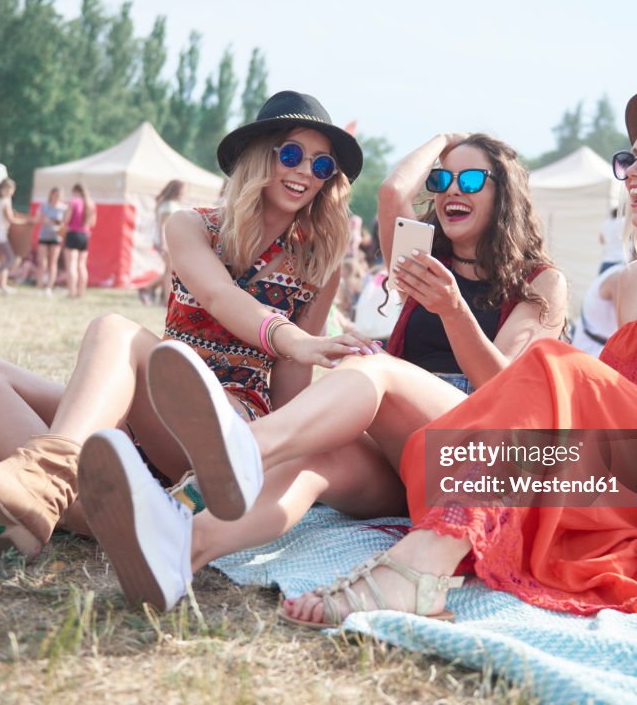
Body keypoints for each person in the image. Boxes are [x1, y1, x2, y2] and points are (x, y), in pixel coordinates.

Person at [269, 87, 637, 627]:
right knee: (510, 454)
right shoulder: (628, 284)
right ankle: (416, 559)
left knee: (553, 367)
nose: (631, 174)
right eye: (627, 159)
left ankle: (415, 568)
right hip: (619, 479)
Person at [75, 131, 568, 611]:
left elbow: (504, 392)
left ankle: (239, 449)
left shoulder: (539, 282)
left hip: (476, 455)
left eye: (472, 180)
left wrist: (454, 311)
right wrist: (444, 140)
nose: (451, 191)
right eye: (441, 181)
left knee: (376, 370)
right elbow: (395, 191)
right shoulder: (423, 259)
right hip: (403, 460)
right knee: (313, 460)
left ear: (504, 192)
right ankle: (182, 550)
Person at [0, 91, 373, 566]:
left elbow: (289, 388)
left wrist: (299, 420)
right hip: (153, 407)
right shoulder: (192, 226)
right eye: (293, 155)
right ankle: (70, 507)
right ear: (261, 157)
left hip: (226, 430)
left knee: (115, 329)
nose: (305, 172)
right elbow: (218, 296)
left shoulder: (318, 262)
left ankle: (44, 483)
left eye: (322, 166)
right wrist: (297, 338)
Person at [141, 179, 185, 305]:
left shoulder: (167, 204)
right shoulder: (169, 206)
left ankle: (152, 290)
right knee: (170, 270)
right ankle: (165, 298)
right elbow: (163, 226)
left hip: (169, 240)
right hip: (167, 241)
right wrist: (164, 244)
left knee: (170, 270)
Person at [570, 262, 625, 357]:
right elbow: (629, 333)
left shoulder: (619, 270)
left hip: (591, 344)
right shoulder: (619, 279)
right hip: (592, 350)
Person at [63, 183, 95, 299]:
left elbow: (66, 219)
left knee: (71, 264)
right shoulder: (90, 204)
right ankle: (81, 292)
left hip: (73, 233)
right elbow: (92, 223)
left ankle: (71, 291)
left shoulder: (73, 202)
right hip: (85, 235)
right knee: (82, 265)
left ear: (75, 191)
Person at [35, 187, 66, 297]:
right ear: (51, 195)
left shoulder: (63, 208)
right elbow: (37, 219)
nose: (56, 197)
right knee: (42, 263)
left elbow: (65, 223)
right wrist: (45, 220)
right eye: (55, 194)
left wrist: (60, 226)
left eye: (59, 195)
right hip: (44, 236)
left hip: (56, 237)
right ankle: (39, 287)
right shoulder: (44, 206)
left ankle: (49, 287)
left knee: (53, 262)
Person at [598, 206, 627, 274]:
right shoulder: (624, 221)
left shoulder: (606, 223)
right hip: (622, 260)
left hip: (607, 260)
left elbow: (601, 240)